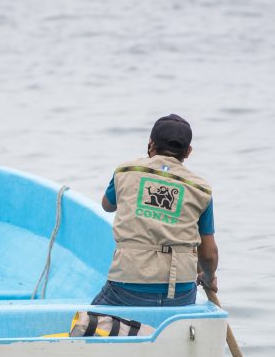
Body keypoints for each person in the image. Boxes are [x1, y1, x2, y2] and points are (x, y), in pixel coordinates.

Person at [91, 114, 218, 307]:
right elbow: (208, 255)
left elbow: (107, 205)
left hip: (127, 287)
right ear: (188, 152)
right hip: (179, 293)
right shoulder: (201, 189)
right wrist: (208, 278)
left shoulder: (126, 171)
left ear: (150, 144)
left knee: (85, 321)